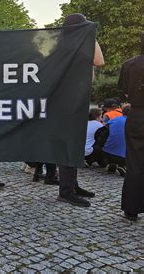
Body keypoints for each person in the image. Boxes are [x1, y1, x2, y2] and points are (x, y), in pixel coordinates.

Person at [57, 13, 104, 207]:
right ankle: (66, 191)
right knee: (69, 144)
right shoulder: (69, 48)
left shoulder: (70, 46)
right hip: (68, 102)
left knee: (75, 143)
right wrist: (91, 35)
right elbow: (100, 60)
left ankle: (72, 185)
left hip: (76, 100)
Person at [119, 34, 144, 221]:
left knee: (135, 162)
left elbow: (125, 90)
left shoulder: (130, 64)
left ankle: (131, 209)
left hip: (137, 115)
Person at [95, 106, 129, 176]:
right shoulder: (135, 122)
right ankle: (122, 165)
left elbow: (101, 133)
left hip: (106, 152)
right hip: (124, 155)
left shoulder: (113, 120)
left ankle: (112, 163)